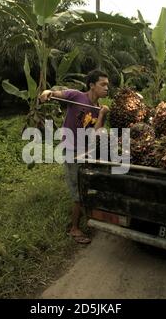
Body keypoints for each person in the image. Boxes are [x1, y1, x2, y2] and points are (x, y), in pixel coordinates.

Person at [39, 69, 110, 244]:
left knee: (86, 187)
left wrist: (101, 115)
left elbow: (96, 134)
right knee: (78, 191)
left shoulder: (99, 108)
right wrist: (47, 93)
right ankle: (74, 229)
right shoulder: (76, 96)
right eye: (103, 84)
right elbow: (55, 93)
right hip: (71, 150)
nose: (107, 88)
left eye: (108, 85)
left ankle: (87, 221)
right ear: (92, 85)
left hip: (86, 153)